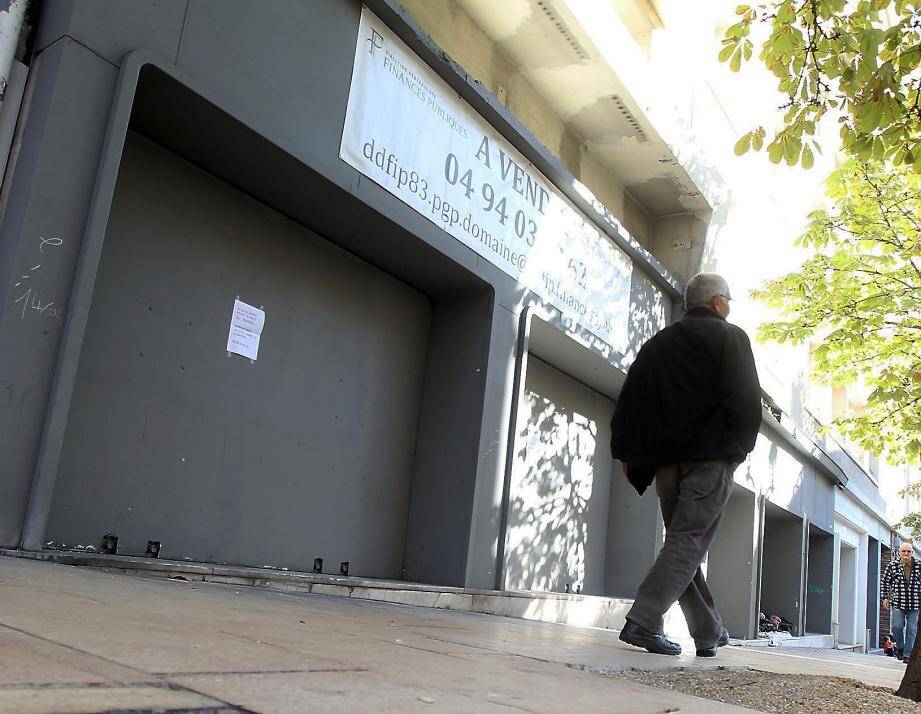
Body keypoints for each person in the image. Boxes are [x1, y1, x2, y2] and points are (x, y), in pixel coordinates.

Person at [610, 272, 762, 657]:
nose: (730, 305)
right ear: (717, 302)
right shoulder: (732, 337)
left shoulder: (658, 344)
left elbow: (630, 402)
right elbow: (745, 401)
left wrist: (629, 457)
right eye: (729, 298)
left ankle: (708, 631)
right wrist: (739, 450)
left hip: (666, 466)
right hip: (710, 461)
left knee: (682, 546)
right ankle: (643, 620)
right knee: (687, 543)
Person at [881, 541, 921, 663]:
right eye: (903, 551)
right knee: (897, 627)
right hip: (898, 603)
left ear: (912, 553)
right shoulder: (892, 566)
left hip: (915, 604)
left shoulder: (919, 565)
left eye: (908, 551)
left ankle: (907, 655)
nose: (906, 553)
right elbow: (885, 582)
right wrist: (885, 597)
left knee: (911, 630)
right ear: (899, 552)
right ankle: (900, 647)